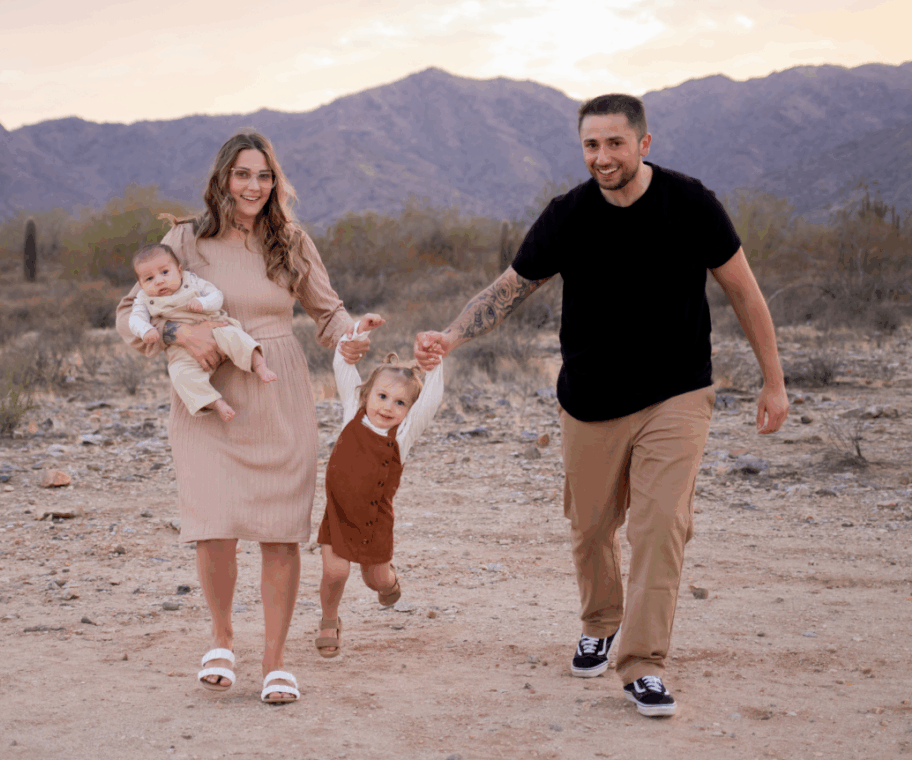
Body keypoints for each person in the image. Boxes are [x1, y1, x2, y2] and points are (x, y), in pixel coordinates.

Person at [414, 93, 788, 717]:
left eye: (615, 143)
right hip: (588, 400)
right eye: (591, 144)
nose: (602, 156)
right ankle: (600, 620)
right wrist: (450, 336)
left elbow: (746, 294)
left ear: (644, 144)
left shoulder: (691, 204)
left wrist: (774, 382)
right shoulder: (569, 215)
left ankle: (643, 664)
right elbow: (511, 288)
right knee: (591, 529)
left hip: (677, 393)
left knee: (660, 526)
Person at [116, 132, 368, 705]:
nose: (254, 186)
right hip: (207, 394)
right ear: (223, 178)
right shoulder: (185, 238)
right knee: (214, 525)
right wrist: (180, 331)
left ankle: (276, 660)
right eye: (242, 174)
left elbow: (329, 315)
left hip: (277, 388)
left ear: (275, 182)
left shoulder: (292, 241)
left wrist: (354, 338)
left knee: (281, 533)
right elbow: (131, 310)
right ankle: (222, 640)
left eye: (264, 176)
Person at [314, 315, 444, 659]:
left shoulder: (403, 435)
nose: (388, 407)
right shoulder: (351, 413)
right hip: (339, 512)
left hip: (376, 520)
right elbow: (343, 363)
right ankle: (329, 621)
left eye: (400, 403)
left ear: (409, 410)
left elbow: (431, 399)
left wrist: (435, 362)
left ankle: (390, 581)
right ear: (366, 394)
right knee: (335, 570)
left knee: (376, 581)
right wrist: (360, 332)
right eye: (382, 396)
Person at [126, 243, 277, 421]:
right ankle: (214, 402)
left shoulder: (192, 282)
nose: (159, 281)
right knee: (180, 374)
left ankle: (259, 364)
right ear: (140, 284)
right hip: (180, 349)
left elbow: (216, 296)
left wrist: (204, 303)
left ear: (179, 270)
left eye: (165, 272)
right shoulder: (143, 299)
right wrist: (146, 330)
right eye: (149, 279)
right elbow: (134, 319)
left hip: (215, 327)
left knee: (236, 337)